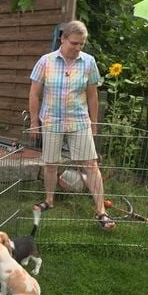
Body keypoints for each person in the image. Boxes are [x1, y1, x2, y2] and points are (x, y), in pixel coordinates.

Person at [27, 20, 115, 230]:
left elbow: (92, 96)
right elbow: (34, 93)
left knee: (91, 164)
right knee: (50, 163)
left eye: (81, 44)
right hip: (51, 120)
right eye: (74, 43)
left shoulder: (88, 62)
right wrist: (33, 121)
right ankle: (49, 200)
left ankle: (101, 211)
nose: (77, 48)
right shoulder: (45, 61)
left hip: (79, 120)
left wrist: (94, 123)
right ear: (63, 39)